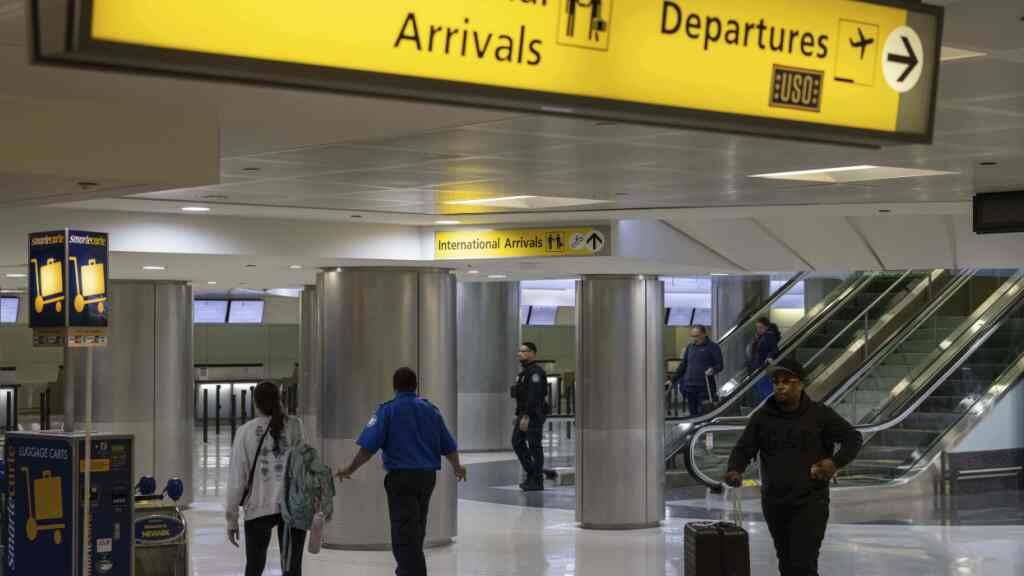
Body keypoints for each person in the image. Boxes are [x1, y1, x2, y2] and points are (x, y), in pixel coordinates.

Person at [724, 358, 863, 576]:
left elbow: (853, 438)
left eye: (787, 381)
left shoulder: (819, 414)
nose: (780, 386)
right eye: (776, 381)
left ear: (801, 384)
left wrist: (834, 463)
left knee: (803, 565)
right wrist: (735, 469)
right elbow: (744, 448)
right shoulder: (762, 417)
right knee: (786, 562)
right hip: (774, 502)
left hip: (810, 502)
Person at [337, 367, 467, 576]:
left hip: (401, 479)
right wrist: (457, 467)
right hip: (426, 478)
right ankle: (408, 569)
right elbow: (448, 445)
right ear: (415, 386)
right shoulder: (430, 410)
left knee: (404, 532)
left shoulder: (387, 410)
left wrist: (349, 468)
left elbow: (368, 448)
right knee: (417, 527)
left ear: (394, 386)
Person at [226, 381, 307, 576]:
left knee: (254, 567)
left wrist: (232, 519)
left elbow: (237, 477)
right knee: (292, 569)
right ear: (279, 400)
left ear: (256, 403)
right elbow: (304, 466)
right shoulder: (295, 425)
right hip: (293, 507)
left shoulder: (245, 432)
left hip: (258, 506)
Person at [512, 342, 548, 491]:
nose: (520, 353)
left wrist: (526, 416)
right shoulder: (524, 373)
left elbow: (534, 396)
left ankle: (537, 480)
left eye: (524, 351)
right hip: (523, 413)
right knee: (517, 442)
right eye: (519, 351)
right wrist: (519, 415)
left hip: (532, 415)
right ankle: (532, 473)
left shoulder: (535, 373)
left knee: (534, 447)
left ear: (533, 353)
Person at [671, 325, 724, 416]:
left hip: (705, 388)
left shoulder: (713, 347)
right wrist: (672, 380)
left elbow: (720, 365)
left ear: (704, 334)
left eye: (697, 336)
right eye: (693, 336)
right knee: (693, 414)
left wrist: (713, 369)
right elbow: (683, 365)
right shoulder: (690, 347)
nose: (695, 339)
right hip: (690, 387)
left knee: (704, 414)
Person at [750, 317, 782, 401]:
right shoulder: (761, 337)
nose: (758, 329)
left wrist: (769, 357)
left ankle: (769, 405)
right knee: (761, 389)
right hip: (758, 367)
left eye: (761, 327)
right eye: (757, 327)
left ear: (766, 327)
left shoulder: (769, 336)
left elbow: (774, 349)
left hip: (762, 367)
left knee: (765, 389)